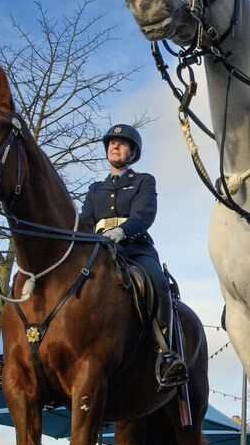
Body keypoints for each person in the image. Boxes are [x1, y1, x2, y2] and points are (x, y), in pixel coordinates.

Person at [79, 124, 187, 386]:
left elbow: (144, 215)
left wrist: (122, 231)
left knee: (157, 281)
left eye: (122, 143)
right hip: (97, 250)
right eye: (111, 143)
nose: (115, 146)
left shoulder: (143, 181)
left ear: (133, 152)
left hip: (134, 248)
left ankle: (165, 353)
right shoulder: (95, 189)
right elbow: (84, 221)